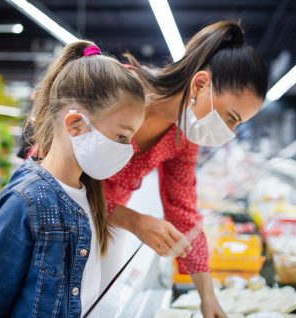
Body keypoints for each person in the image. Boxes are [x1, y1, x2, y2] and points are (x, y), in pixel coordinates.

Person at [0, 40, 145, 318]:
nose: (128, 149)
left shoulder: (88, 192)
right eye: (122, 136)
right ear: (75, 124)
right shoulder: (26, 201)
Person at [104, 20, 268, 318]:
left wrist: (207, 296)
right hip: (46, 214)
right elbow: (62, 179)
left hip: (101, 226)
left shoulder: (182, 136)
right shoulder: (121, 91)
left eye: (238, 125)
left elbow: (183, 211)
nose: (229, 131)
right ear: (201, 84)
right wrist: (135, 221)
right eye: (231, 117)